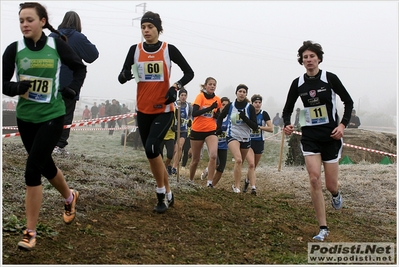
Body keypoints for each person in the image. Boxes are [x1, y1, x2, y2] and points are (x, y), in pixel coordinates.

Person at [2, 2, 87, 250]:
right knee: (46, 165)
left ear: (42, 21)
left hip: (52, 115)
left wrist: (72, 89)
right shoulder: (13, 49)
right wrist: (16, 88)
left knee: (32, 170)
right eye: (21, 21)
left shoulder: (56, 45)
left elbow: (80, 67)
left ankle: (30, 232)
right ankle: (70, 197)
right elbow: (3, 84)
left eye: (29, 20)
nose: (25, 25)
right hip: (26, 118)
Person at [118, 11, 194, 213]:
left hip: (164, 109)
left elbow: (189, 72)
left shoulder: (168, 49)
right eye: (143, 27)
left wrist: (175, 87)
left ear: (158, 29)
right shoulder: (135, 50)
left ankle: (160, 195)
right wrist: (124, 75)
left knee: (152, 148)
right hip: (143, 110)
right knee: (153, 154)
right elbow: (123, 75)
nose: (146, 31)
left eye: (150, 27)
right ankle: (168, 191)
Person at [282, 40, 354, 241]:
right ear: (301, 61)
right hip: (310, 136)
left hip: (330, 137)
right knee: (314, 178)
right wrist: (287, 124)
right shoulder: (298, 83)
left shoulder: (330, 78)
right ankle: (323, 227)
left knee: (331, 185)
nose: (309, 60)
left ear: (319, 58)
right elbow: (287, 109)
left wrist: (342, 126)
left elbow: (348, 102)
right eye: (305, 57)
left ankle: (336, 194)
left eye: (312, 56)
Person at [50, 11, 99, 155]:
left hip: (51, 82)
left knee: (50, 114)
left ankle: (47, 143)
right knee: (66, 115)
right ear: (78, 23)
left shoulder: (52, 36)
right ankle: (59, 146)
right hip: (71, 83)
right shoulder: (78, 38)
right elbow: (93, 56)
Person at [217, 84, 259, 193]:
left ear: (246, 94)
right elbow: (221, 116)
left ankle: (236, 184)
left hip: (245, 138)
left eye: (244, 92)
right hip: (232, 135)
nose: (242, 93)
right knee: (239, 160)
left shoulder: (250, 108)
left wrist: (245, 118)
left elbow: (255, 126)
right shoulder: (231, 106)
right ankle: (237, 187)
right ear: (236, 93)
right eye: (240, 91)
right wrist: (219, 128)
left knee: (241, 162)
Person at [189, 77, 221, 187]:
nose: (212, 86)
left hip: (211, 130)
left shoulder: (217, 99)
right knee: (195, 159)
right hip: (197, 130)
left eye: (214, 85)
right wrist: (210, 108)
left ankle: (209, 182)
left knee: (213, 155)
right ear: (205, 86)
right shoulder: (200, 97)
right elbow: (195, 113)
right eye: (210, 84)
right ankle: (191, 180)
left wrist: (217, 114)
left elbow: (218, 114)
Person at [243, 94, 273, 195]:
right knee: (251, 164)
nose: (257, 104)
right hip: (249, 142)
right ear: (252, 103)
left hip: (259, 142)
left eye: (259, 103)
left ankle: (247, 181)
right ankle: (253, 188)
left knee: (253, 166)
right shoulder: (248, 113)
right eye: (255, 102)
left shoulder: (264, 114)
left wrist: (258, 127)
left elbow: (271, 128)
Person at [202, 96, 231, 187]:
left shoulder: (230, 118)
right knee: (216, 163)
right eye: (223, 105)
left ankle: (212, 186)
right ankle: (208, 170)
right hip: (214, 144)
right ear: (219, 106)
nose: (224, 107)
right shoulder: (214, 117)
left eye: (226, 106)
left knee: (221, 168)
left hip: (224, 145)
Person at [171, 88, 192, 175]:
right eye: (182, 95)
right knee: (174, 150)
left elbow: (190, 116)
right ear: (179, 96)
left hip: (183, 130)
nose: (183, 97)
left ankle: (174, 167)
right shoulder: (174, 104)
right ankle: (170, 164)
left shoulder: (189, 106)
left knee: (180, 147)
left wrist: (190, 122)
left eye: (185, 95)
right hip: (174, 130)